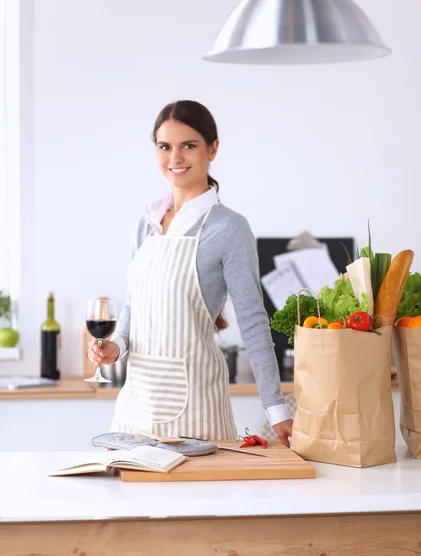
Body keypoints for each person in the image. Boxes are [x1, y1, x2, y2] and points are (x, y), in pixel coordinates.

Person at [88, 100, 293, 446]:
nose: (175, 158)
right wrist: (116, 347)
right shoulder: (147, 224)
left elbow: (254, 322)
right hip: (135, 408)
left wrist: (276, 410)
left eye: (189, 146)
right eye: (165, 147)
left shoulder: (230, 228)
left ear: (213, 148)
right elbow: (134, 307)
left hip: (195, 412)